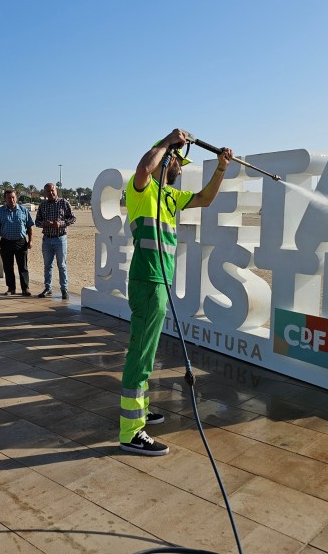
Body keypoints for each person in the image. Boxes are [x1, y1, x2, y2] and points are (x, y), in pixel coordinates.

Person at [119, 128, 233, 456]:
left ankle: (139, 411)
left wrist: (221, 166)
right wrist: (166, 141)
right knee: (140, 356)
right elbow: (143, 169)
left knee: (145, 352)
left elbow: (206, 199)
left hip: (161, 284)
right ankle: (130, 431)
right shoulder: (141, 190)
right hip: (148, 282)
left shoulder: (170, 197)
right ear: (163, 159)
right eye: (176, 161)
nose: (179, 168)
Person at [35, 182, 76, 300]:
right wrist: (44, 224)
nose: (51, 193)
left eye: (52, 190)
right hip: (47, 239)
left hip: (60, 239)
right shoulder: (43, 205)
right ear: (45, 193)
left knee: (61, 265)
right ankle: (48, 288)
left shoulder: (64, 203)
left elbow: (73, 218)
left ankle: (64, 289)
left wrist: (61, 224)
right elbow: (37, 222)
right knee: (47, 265)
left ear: (56, 190)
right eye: (48, 191)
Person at [0, 189, 35, 296]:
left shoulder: (23, 210)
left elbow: (30, 227)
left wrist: (30, 240)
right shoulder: (0, 211)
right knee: (8, 267)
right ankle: (11, 288)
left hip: (21, 242)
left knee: (23, 267)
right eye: (9, 198)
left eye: (13, 197)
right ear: (5, 199)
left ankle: (25, 288)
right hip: (5, 243)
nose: (11, 199)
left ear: (16, 197)